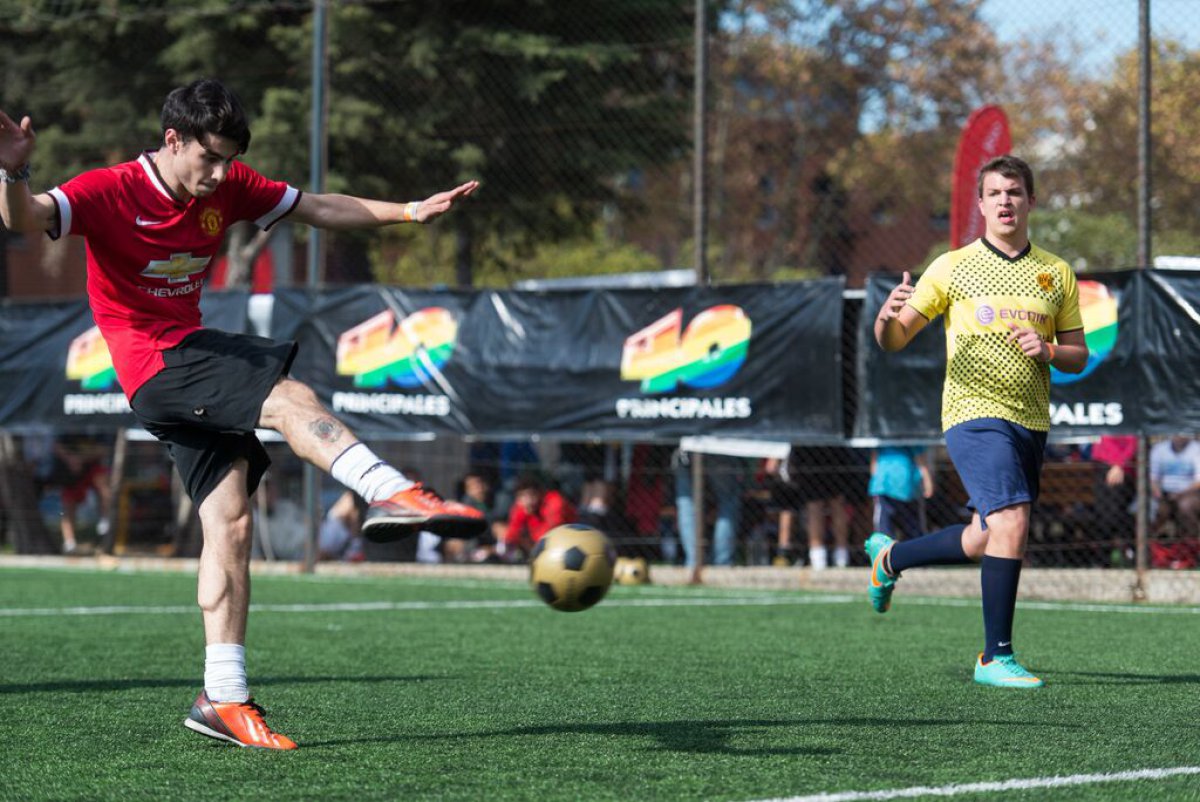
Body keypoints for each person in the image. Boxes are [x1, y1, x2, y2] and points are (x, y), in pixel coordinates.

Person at [0, 79, 487, 749]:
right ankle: (391, 492)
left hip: (181, 361)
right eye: (210, 159)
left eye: (230, 160)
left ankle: (222, 700)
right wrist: (14, 169)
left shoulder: (225, 185)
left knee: (228, 523)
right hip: (156, 362)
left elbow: (316, 206)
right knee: (289, 398)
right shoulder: (108, 189)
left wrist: (409, 212)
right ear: (173, 140)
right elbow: (22, 220)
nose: (222, 175)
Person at [867, 155, 1088, 688]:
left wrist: (1051, 349)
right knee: (1012, 520)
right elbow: (894, 341)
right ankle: (995, 657)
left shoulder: (1056, 272)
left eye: (1014, 192)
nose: (1005, 201)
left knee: (984, 536)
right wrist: (885, 316)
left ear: (1030, 201)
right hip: (972, 412)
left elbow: (1080, 354)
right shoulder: (951, 266)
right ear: (982, 204)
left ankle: (890, 558)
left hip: (1030, 418)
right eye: (995, 193)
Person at [672, 449, 745, 568]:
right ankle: (722, 563)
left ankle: (694, 562)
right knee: (727, 502)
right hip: (719, 447)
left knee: (686, 503)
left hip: (687, 449)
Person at [494, 472, 577, 559]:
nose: (528, 500)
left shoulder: (555, 502)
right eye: (522, 496)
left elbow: (551, 534)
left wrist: (525, 539)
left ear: (540, 493)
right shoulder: (520, 508)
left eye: (531, 494)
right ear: (518, 498)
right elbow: (510, 536)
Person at [868, 445, 933, 541]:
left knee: (914, 532)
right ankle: (886, 554)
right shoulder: (880, 438)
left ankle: (914, 553)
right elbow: (874, 458)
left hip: (909, 491)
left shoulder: (910, 436)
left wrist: (927, 481)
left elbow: (920, 460)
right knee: (884, 534)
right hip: (884, 489)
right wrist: (876, 480)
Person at [1149, 434, 1200, 541]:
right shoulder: (1159, 449)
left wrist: (1180, 494)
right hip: (1165, 493)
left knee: (1186, 505)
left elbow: (1198, 481)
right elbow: (1153, 479)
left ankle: (1191, 542)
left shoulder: (1196, 449)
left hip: (1190, 493)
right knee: (1160, 509)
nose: (1179, 436)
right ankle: (1154, 543)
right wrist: (1158, 493)